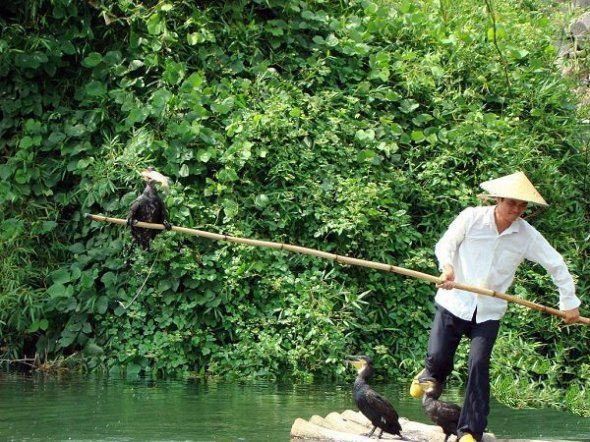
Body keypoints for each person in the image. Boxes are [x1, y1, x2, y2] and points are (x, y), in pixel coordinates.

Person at [409, 171, 581, 442]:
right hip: (455, 301)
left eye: (522, 206)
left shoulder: (526, 235)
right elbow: (446, 244)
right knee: (439, 358)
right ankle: (431, 372)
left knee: (478, 364)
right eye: (511, 203)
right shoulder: (471, 217)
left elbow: (556, 264)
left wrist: (569, 302)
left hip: (489, 311)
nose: (516, 210)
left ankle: (470, 431)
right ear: (498, 199)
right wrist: (448, 268)